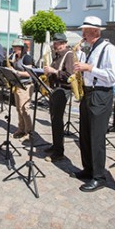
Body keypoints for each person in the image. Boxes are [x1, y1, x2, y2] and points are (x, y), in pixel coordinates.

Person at [70, 16, 115, 192]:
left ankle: (99, 177)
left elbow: (113, 77)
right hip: (88, 94)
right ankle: (88, 169)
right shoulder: (91, 49)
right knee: (85, 134)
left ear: (94, 31)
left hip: (101, 95)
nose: (82, 34)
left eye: (85, 31)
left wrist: (89, 68)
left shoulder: (108, 49)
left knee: (97, 138)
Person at [42, 32, 74, 162]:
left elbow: (69, 75)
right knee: (54, 119)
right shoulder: (56, 55)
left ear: (64, 44)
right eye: (55, 43)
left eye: (59, 43)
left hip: (63, 90)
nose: (56, 45)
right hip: (55, 89)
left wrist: (54, 71)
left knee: (58, 120)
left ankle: (59, 151)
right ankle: (55, 145)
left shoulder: (69, 55)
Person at [7, 39, 34, 142]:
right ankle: (21, 129)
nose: (14, 50)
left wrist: (16, 72)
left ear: (21, 48)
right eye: (14, 48)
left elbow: (29, 74)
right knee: (18, 109)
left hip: (26, 86)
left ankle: (29, 132)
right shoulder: (15, 57)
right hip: (18, 85)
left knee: (25, 109)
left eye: (16, 48)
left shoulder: (27, 58)